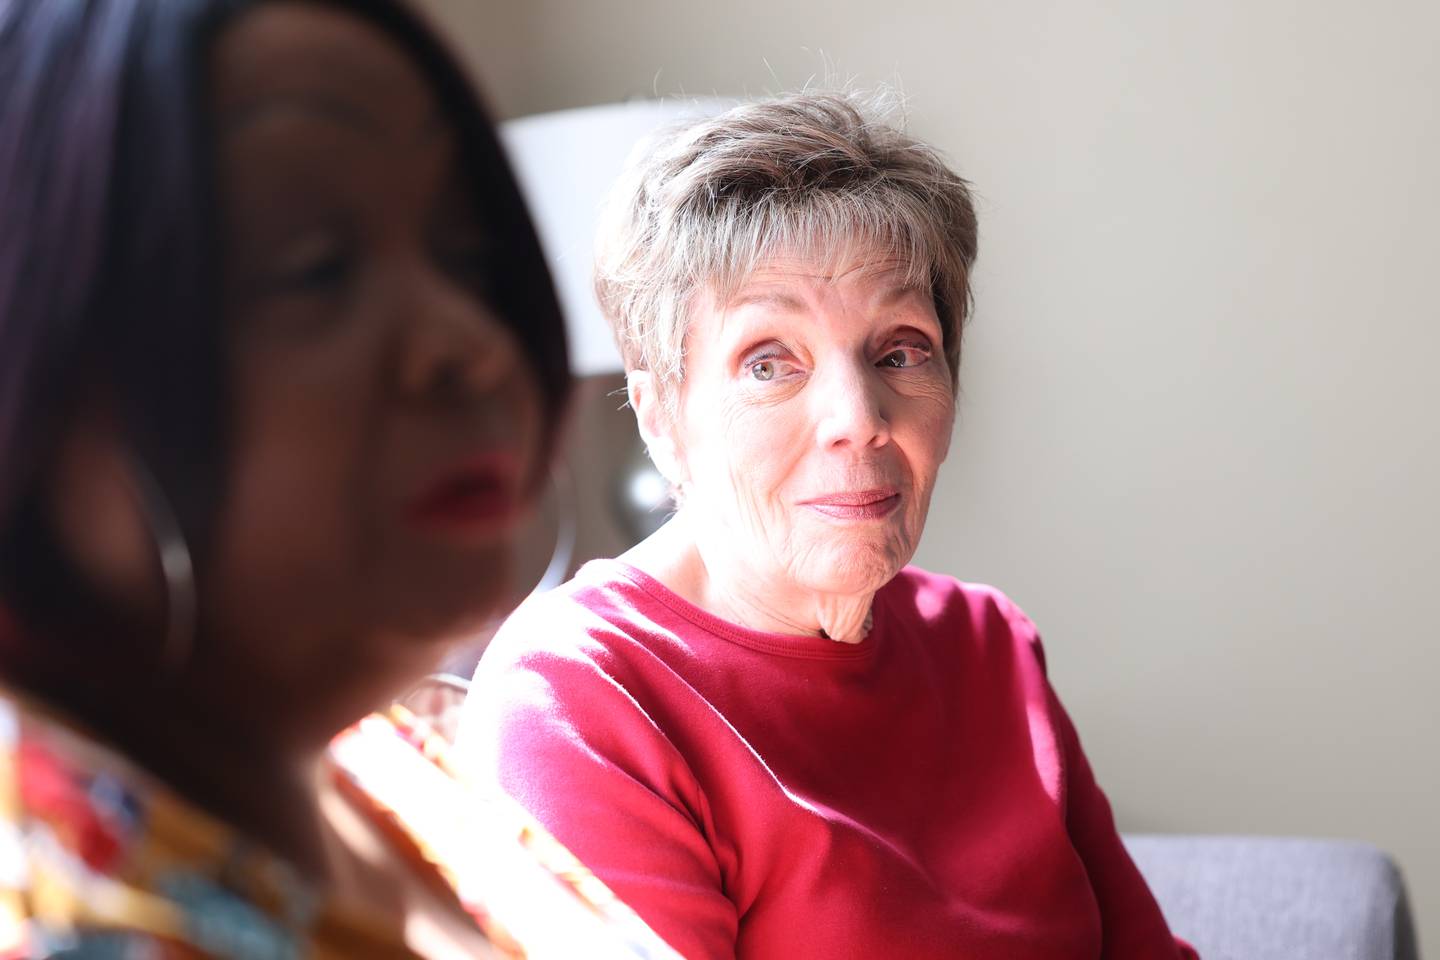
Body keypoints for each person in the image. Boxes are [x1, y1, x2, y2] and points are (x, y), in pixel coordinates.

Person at [0, 1, 677, 956]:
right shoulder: (87, 925)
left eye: (468, 258)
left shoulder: (380, 759)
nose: (472, 347)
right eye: (317, 269)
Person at [461, 93, 1201, 959]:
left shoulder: (987, 644)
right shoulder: (579, 701)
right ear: (662, 415)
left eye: (901, 351)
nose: (860, 416)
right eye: (769, 362)